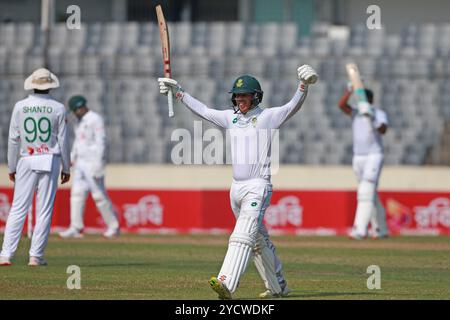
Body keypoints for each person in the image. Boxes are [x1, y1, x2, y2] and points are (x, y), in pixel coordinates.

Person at [158, 65, 318, 299]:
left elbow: (292, 105)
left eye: (245, 95)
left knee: (242, 235)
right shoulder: (231, 118)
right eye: (238, 96)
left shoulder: (267, 117)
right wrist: (180, 93)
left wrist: (303, 86)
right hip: (236, 189)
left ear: (256, 97)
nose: (240, 99)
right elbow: (203, 110)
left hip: (258, 187)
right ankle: (278, 287)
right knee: (257, 242)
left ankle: (226, 283)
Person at [0, 68, 71, 266]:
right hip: (50, 158)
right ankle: (35, 256)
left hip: (26, 159)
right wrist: (67, 167)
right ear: (50, 85)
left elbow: (13, 139)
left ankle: (5, 255)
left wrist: (11, 166)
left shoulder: (20, 106)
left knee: (18, 208)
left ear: (32, 84)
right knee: (44, 210)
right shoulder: (57, 108)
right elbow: (63, 140)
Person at [59, 96, 120, 239]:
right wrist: (72, 157)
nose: (74, 113)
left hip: (92, 162)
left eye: (75, 110)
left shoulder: (95, 119)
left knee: (99, 195)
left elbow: (101, 141)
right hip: (80, 163)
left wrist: (99, 163)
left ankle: (113, 227)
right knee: (77, 195)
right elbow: (78, 142)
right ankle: (76, 227)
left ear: (80, 107)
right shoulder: (79, 122)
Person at [337, 83, 389, 239]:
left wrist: (372, 119)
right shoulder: (355, 112)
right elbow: (341, 105)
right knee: (369, 191)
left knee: (366, 190)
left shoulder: (378, 113)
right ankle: (381, 229)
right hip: (358, 156)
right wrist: (349, 90)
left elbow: (383, 130)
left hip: (374, 155)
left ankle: (360, 229)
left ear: (370, 100)